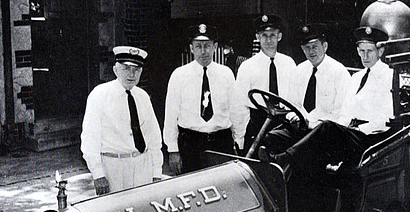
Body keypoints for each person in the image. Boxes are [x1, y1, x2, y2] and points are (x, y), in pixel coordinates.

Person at [267, 26, 393, 177]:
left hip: (370, 137)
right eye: (361, 51)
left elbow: (386, 118)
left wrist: (357, 129)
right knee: (291, 140)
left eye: (369, 51)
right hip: (351, 133)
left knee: (326, 127)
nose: (365, 56)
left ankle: (285, 158)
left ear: (380, 51)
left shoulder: (389, 77)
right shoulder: (357, 77)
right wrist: (343, 129)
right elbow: (346, 112)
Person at [80, 46, 163, 195]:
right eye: (126, 68)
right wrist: (98, 174)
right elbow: (90, 139)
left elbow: (154, 136)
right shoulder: (100, 95)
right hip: (113, 168)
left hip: (142, 167)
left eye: (136, 69)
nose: (131, 74)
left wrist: (156, 171)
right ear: (115, 70)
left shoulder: (143, 96)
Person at [262, 23, 353, 154]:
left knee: (304, 150)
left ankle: (283, 159)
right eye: (307, 48)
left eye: (315, 46)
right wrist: (294, 116)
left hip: (325, 134)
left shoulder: (339, 72)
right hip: (301, 128)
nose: (311, 52)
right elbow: (291, 105)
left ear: (325, 46)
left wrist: (315, 126)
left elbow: (343, 116)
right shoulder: (300, 70)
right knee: (271, 138)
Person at [164, 23, 237, 175]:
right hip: (191, 143)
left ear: (215, 46)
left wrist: (238, 142)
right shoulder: (179, 75)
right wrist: (173, 150)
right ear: (191, 48)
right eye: (198, 46)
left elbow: (235, 111)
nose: (203, 51)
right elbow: (171, 115)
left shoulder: (226, 74)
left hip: (221, 142)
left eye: (207, 46)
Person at [230, 14, 297, 155]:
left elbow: (295, 97)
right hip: (258, 124)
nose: (268, 40)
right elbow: (238, 105)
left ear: (279, 37)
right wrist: (239, 139)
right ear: (258, 37)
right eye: (264, 35)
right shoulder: (247, 66)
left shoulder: (289, 63)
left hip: (284, 123)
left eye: (272, 35)